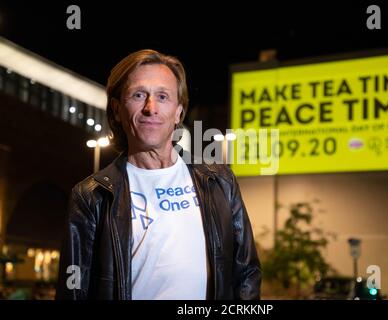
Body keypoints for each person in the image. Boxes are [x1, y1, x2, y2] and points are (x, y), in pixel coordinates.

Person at [56, 49, 261, 300]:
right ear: (118, 109)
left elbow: (247, 273)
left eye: (163, 96)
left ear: (178, 112)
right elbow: (73, 290)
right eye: (138, 95)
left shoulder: (220, 182)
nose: (150, 108)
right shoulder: (91, 196)